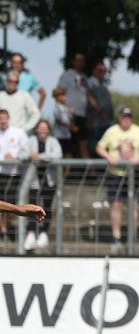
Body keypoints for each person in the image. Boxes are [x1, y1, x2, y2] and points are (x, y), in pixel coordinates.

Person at [95, 107, 139, 247]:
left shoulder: (138, 131)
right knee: (116, 205)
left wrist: (138, 158)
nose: (126, 119)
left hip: (132, 175)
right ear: (119, 118)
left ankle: (133, 237)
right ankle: (116, 237)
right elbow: (99, 147)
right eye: (124, 116)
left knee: (133, 206)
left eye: (129, 116)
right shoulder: (112, 131)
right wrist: (108, 157)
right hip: (115, 174)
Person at [24, 120, 61, 251]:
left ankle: (44, 233)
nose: (43, 130)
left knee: (48, 207)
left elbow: (57, 155)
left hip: (49, 180)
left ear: (49, 130)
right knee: (32, 207)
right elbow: (23, 154)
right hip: (33, 180)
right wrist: (30, 156)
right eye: (40, 128)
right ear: (36, 129)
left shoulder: (53, 141)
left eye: (45, 128)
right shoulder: (30, 140)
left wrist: (38, 156)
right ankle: (31, 233)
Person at [0, 109, 30, 236]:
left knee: (10, 204)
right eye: (0, 118)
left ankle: (5, 228)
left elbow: (27, 152)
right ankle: (3, 229)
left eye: (4, 118)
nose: (2, 120)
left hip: (13, 174)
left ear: (9, 118)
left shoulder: (18, 133)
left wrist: (15, 157)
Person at [56, 53, 89, 158]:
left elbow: (87, 96)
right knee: (68, 146)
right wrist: (64, 112)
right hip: (69, 115)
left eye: (82, 60)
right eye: (78, 59)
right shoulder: (67, 75)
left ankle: (90, 172)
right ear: (73, 61)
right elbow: (59, 93)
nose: (80, 62)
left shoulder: (84, 77)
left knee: (83, 144)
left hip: (82, 115)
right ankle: (65, 173)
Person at [86, 60, 114, 151]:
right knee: (95, 148)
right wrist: (101, 113)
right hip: (96, 122)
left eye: (104, 70)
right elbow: (89, 100)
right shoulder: (90, 82)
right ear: (94, 71)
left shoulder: (102, 84)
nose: (103, 73)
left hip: (105, 122)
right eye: (100, 70)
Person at [50, 87, 75, 157]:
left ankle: (67, 168)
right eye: (63, 95)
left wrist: (72, 115)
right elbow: (59, 121)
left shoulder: (66, 108)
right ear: (57, 97)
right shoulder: (56, 108)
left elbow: (71, 121)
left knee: (69, 154)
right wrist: (71, 128)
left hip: (67, 135)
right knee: (61, 154)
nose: (65, 97)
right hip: (59, 136)